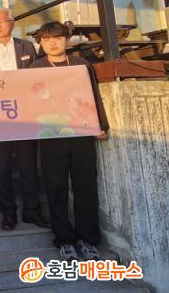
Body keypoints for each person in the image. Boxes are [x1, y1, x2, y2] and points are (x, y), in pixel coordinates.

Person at [29, 21, 109, 262]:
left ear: (67, 39)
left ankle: (88, 239)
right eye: (47, 39)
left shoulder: (81, 64)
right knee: (56, 187)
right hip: (51, 135)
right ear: (40, 42)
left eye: (57, 37)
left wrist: (100, 124)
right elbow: (29, 102)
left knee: (86, 186)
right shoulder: (35, 68)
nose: (52, 43)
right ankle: (63, 239)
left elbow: (94, 94)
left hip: (82, 132)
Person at [0, 8, 48, 231]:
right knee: (1, 167)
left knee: (28, 166)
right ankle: (8, 213)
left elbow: (38, 79)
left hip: (24, 116)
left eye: (2, 21)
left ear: (12, 23)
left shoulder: (27, 47)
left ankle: (32, 210)